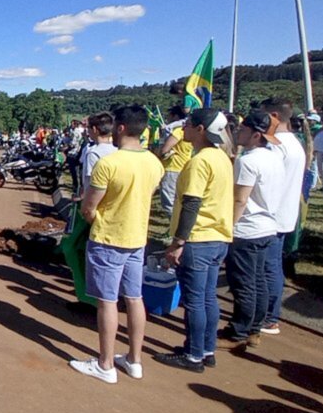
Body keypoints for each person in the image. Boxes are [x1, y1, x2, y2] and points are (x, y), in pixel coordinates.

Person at [70, 105, 163, 384]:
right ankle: (134, 360)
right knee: (134, 298)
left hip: (109, 238)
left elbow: (89, 207)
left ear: (120, 128)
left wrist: (95, 219)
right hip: (137, 238)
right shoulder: (154, 162)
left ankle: (105, 364)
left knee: (107, 302)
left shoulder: (108, 164)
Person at [154, 108, 232, 373]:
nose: (183, 129)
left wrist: (178, 242)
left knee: (195, 300)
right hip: (217, 237)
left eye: (187, 124)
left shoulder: (199, 162)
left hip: (198, 238)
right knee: (208, 297)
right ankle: (206, 349)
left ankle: (193, 355)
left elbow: (192, 203)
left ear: (201, 130)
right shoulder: (221, 157)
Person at [217, 111, 283, 347]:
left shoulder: (248, 161)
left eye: (243, 130)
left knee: (243, 282)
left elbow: (240, 199)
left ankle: (241, 327)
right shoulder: (275, 157)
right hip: (267, 227)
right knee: (259, 280)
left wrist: (228, 228)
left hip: (248, 228)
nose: (238, 133)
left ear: (256, 135)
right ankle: (255, 325)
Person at [259, 98, 306, 335]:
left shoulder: (276, 144)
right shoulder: (294, 143)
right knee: (273, 265)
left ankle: (268, 316)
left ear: (275, 115)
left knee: (268, 268)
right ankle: (269, 314)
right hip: (284, 213)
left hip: (271, 215)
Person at [156, 106, 193, 216]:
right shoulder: (188, 131)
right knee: (179, 200)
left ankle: (175, 227)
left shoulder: (178, 131)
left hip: (173, 167)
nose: (167, 119)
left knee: (169, 202)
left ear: (175, 116)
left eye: (169, 116)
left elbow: (164, 150)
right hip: (184, 166)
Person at [79, 112, 118, 199]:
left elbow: (89, 181)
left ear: (94, 129)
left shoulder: (93, 153)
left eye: (88, 128)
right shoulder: (117, 150)